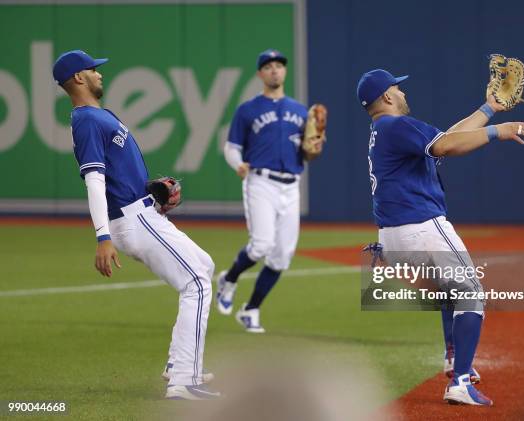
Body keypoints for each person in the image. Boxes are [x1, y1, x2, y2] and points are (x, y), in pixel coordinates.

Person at [357, 68, 524, 406]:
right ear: (387, 97)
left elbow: (446, 137)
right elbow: (449, 146)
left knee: (450, 291)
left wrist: (489, 108)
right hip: (422, 227)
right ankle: (460, 382)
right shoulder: (397, 125)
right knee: (471, 293)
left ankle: (453, 358)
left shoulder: (382, 130)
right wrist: (499, 130)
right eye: (398, 88)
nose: (404, 93)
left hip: (394, 236)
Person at [53, 50, 219, 400]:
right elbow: (95, 182)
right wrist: (102, 237)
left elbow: (115, 173)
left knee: (204, 265)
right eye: (93, 69)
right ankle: (183, 382)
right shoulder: (85, 120)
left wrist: (152, 195)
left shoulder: (97, 116)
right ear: (78, 78)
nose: (100, 74)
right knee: (197, 284)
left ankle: (179, 365)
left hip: (144, 212)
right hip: (132, 219)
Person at [216, 49, 323, 333]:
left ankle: (250, 310)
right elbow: (231, 147)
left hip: (291, 185)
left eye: (279, 65)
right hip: (260, 181)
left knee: (281, 256)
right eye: (268, 66)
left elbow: (307, 154)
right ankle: (229, 279)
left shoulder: (301, 111)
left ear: (284, 72)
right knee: (261, 244)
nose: (275, 70)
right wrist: (238, 164)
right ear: (260, 74)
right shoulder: (248, 109)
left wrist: (314, 148)